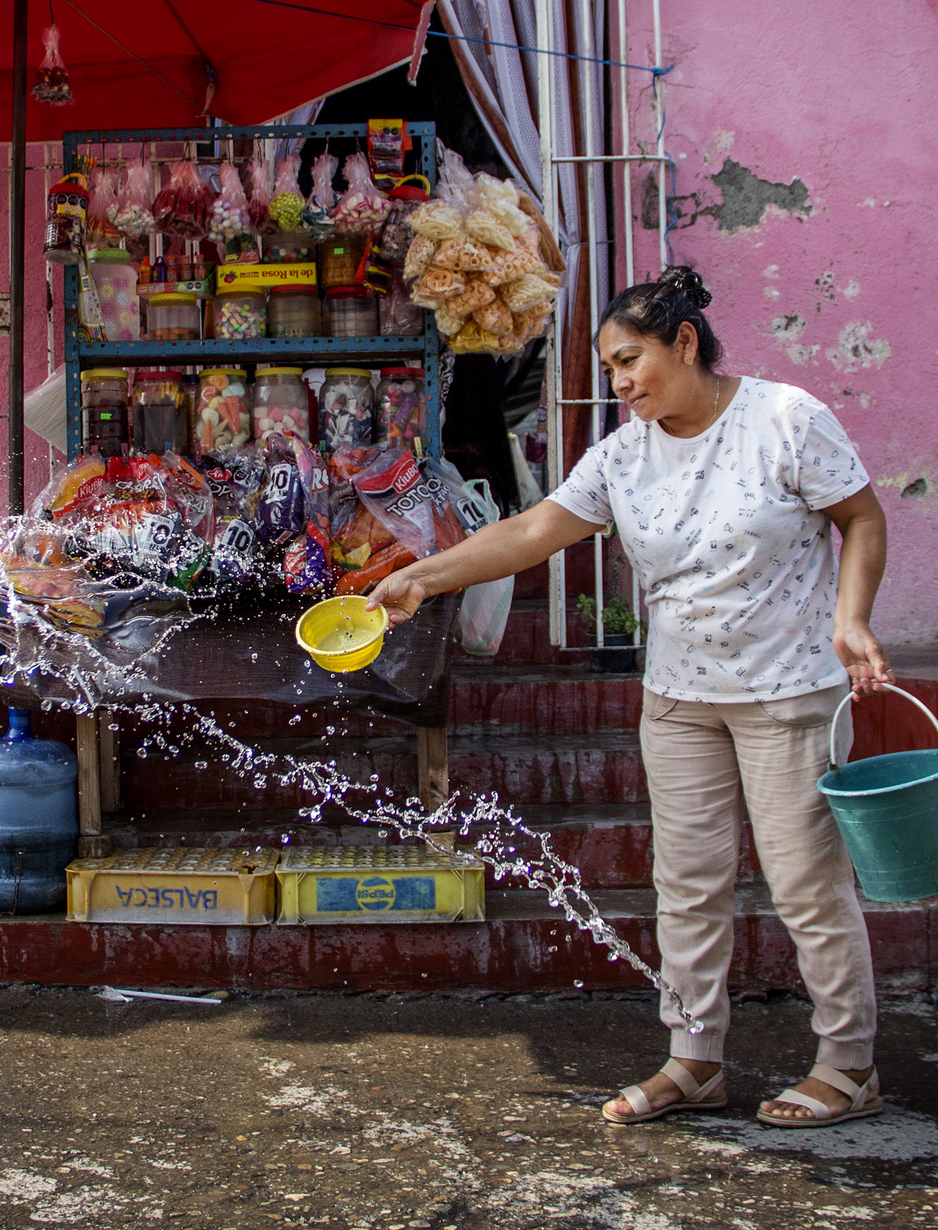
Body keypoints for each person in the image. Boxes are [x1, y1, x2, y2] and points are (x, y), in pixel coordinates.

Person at [367, 266, 895, 1128]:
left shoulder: (785, 419)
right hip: (680, 700)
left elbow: (861, 518)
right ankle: (695, 1061)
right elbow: (534, 531)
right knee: (686, 888)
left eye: (630, 361)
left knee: (806, 887)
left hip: (787, 693)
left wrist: (852, 618)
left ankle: (849, 1064)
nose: (619, 384)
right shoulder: (623, 455)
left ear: (685, 343)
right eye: (610, 369)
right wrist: (420, 578)